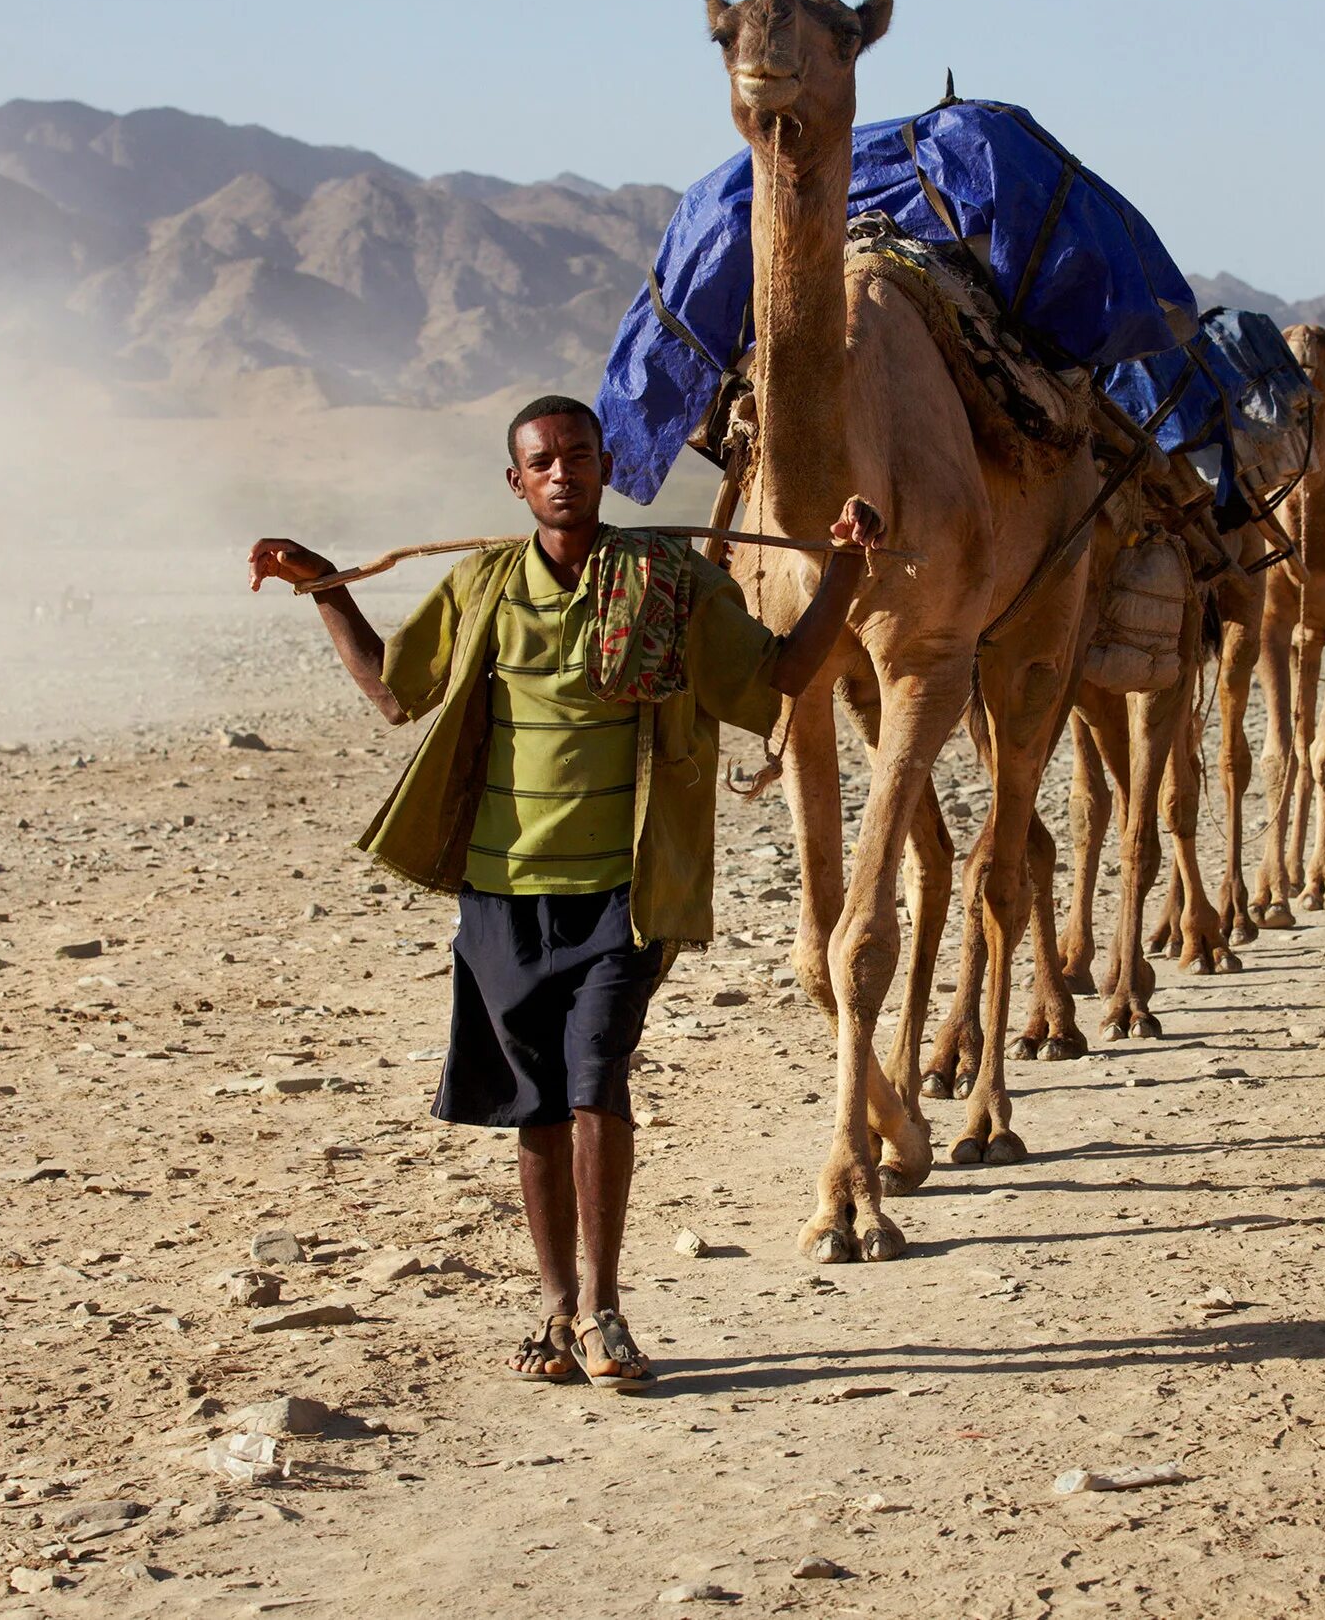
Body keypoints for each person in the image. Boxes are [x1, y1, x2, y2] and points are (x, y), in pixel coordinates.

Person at [248, 393, 875, 1388]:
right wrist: (326, 583)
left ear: (604, 466)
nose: (561, 473)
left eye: (578, 456)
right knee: (536, 1106)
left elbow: (786, 669)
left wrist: (845, 569)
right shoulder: (485, 585)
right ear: (516, 481)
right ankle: (555, 1304)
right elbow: (390, 689)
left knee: (596, 1080)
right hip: (500, 893)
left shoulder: (669, 581)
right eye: (541, 461)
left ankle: (604, 1304)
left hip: (623, 894)